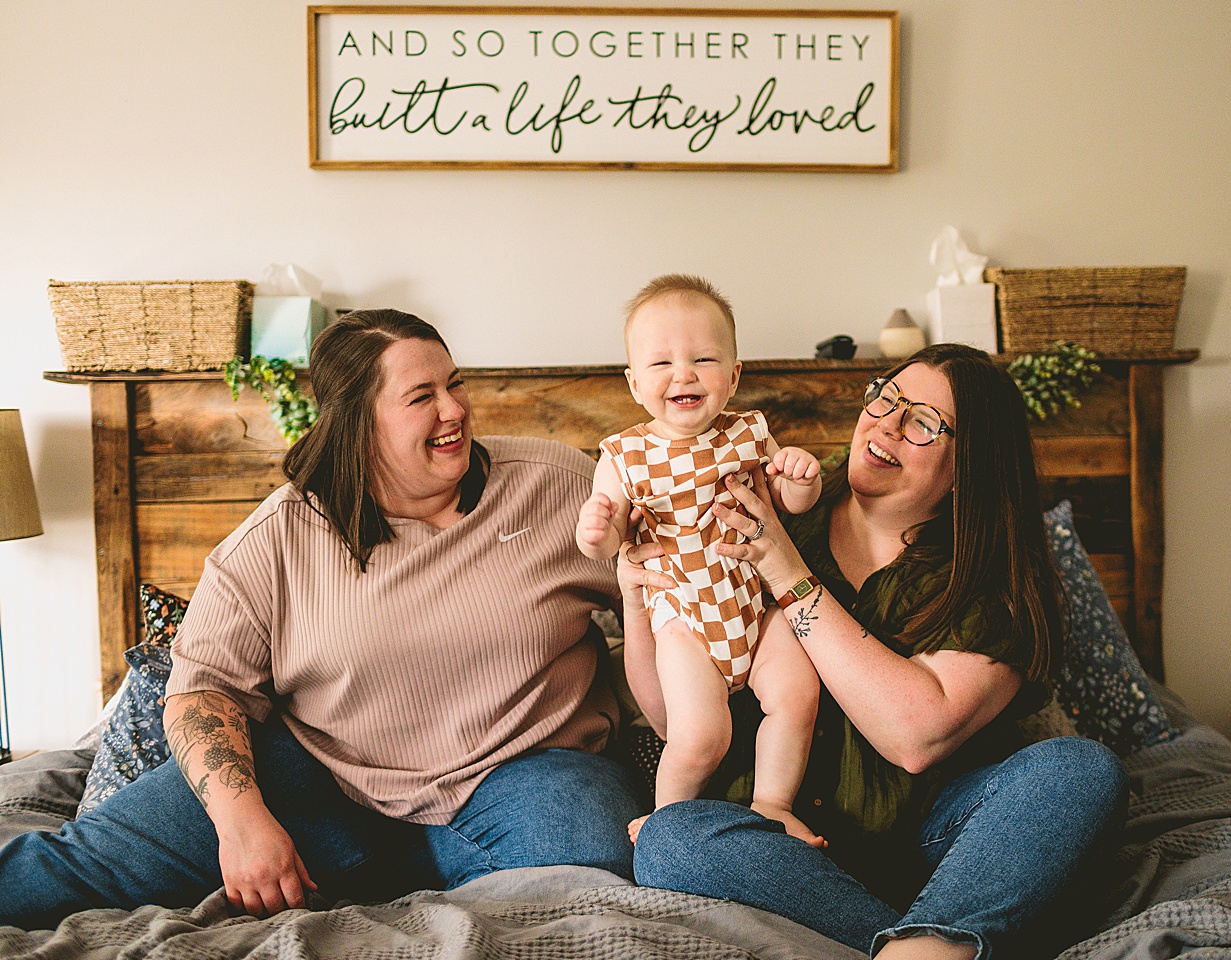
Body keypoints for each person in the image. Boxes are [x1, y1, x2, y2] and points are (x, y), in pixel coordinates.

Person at [0, 309, 643, 930]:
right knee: (61, 874)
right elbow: (201, 693)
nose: (454, 410)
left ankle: (370, 878)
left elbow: (675, 597)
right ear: (357, 425)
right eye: (422, 396)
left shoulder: (560, 486)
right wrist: (243, 824)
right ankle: (369, 867)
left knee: (590, 858)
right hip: (316, 774)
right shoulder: (279, 537)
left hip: (525, 770)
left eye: (456, 384)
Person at [625, 343, 1131, 959]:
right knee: (671, 838)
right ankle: (925, 944)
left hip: (930, 844)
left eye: (920, 422)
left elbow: (916, 737)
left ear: (968, 464)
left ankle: (925, 936)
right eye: (886, 397)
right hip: (771, 845)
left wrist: (787, 572)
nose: (885, 424)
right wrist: (635, 597)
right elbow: (669, 719)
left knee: (1079, 770)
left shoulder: (995, 582)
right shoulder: (777, 507)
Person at [575, 275, 825, 847]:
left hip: (755, 603)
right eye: (661, 362)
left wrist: (801, 481)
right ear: (634, 383)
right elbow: (612, 541)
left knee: (796, 696)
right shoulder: (624, 455)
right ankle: (668, 820)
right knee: (699, 735)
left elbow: (785, 504)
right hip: (684, 615)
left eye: (703, 358)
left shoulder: (749, 433)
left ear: (733, 376)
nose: (683, 373)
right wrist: (598, 529)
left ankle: (773, 803)